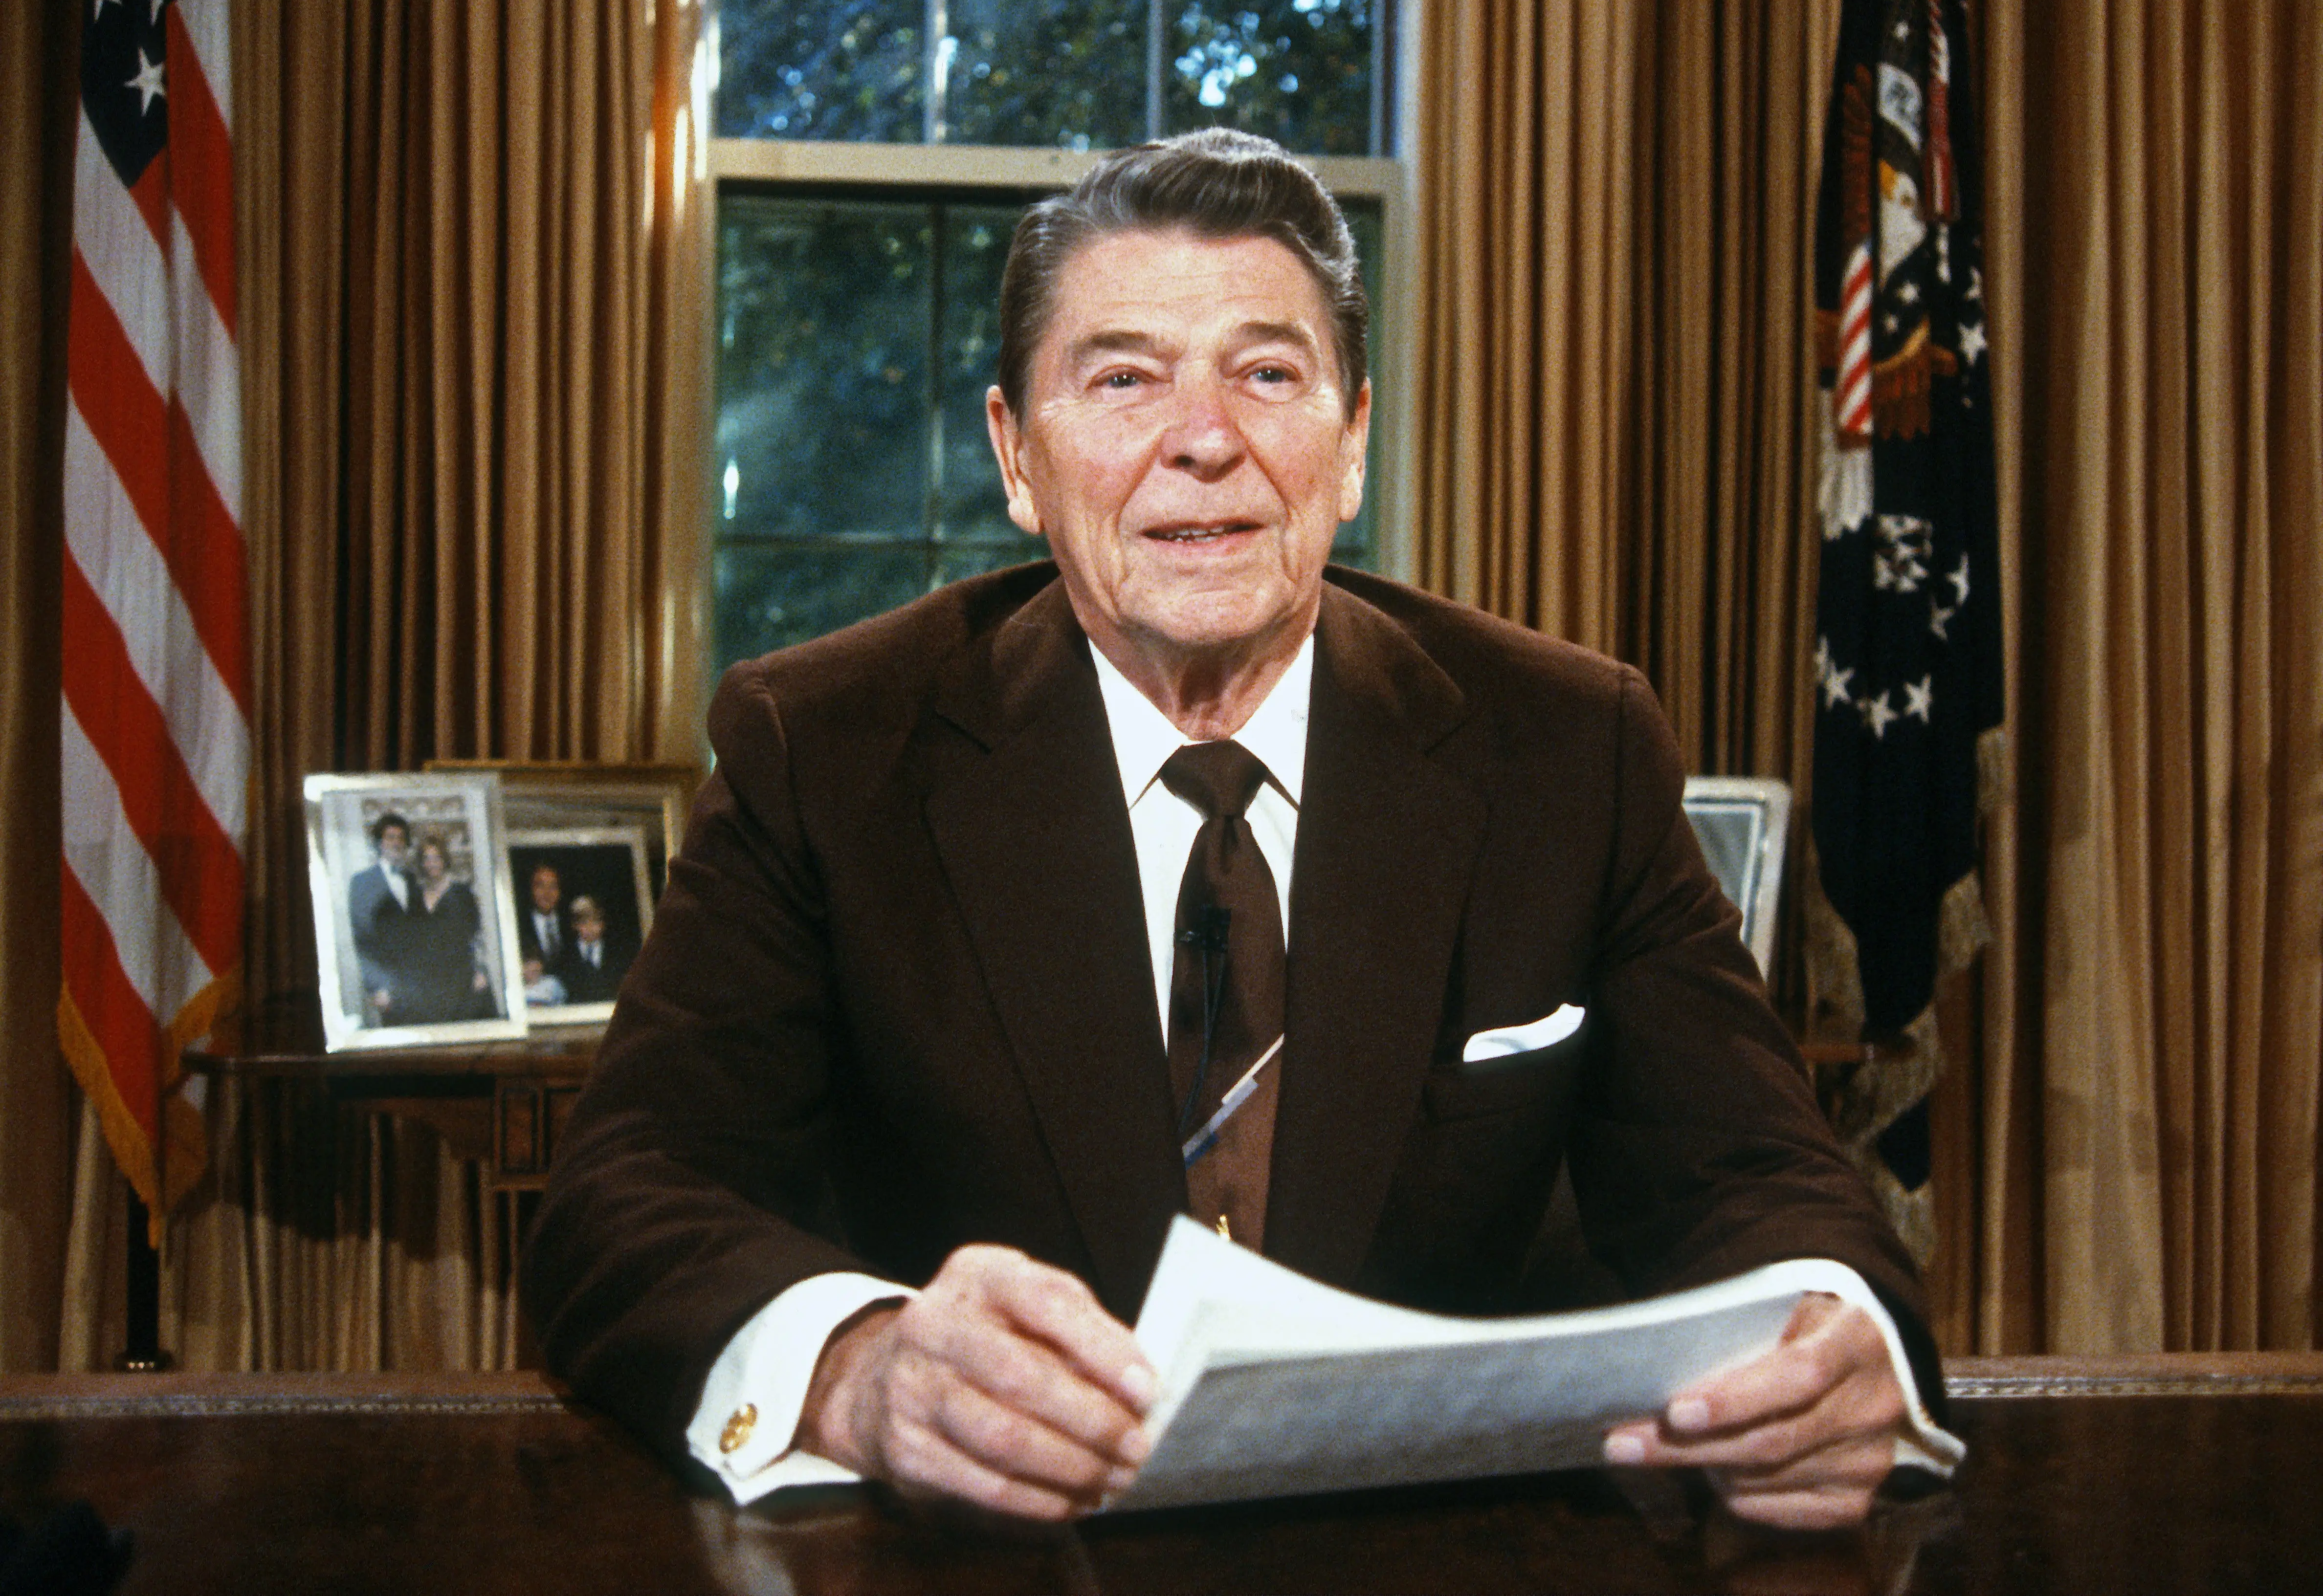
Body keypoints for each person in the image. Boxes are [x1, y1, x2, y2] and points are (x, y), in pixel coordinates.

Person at [524, 129, 1957, 1531]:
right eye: (1122, 377)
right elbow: (624, 1195)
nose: (1200, 440)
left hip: (1439, 1558)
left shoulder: (1565, 745)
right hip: (995, 1564)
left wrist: (1835, 1341)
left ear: (1348, 443)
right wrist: (862, 1368)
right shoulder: (823, 747)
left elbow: (1760, 1177)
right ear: (1015, 457)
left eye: (1265, 374)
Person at [385, 832, 497, 1026]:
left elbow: (478, 937)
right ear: (421, 863)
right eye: (427, 859)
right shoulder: (415, 898)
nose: (432, 863)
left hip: (462, 976)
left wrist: (481, 971)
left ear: (444, 860)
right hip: (431, 979)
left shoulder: (462, 893)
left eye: (437, 857)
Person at [347, 811, 419, 1024]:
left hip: (420, 984)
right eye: (390, 837)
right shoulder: (362, 882)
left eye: (401, 838)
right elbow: (362, 941)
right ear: (379, 843)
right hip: (388, 988)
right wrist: (377, 987)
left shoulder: (413, 880)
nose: (397, 843)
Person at [557, 895, 631, 1005]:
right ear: (575, 925)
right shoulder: (565, 956)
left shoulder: (616, 954)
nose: (590, 928)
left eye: (595, 922)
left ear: (603, 924)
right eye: (584, 922)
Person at [518, 862, 573, 1006]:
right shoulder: (519, 926)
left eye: (553, 886)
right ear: (531, 890)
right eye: (540, 886)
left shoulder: (571, 925)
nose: (547, 893)